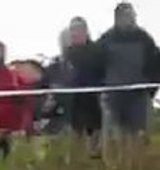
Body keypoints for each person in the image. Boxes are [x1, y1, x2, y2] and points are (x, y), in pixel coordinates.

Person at [96, 2, 160, 140]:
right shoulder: (106, 40)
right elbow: (96, 66)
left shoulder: (144, 39)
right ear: (116, 17)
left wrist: (150, 91)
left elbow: (156, 65)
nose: (128, 18)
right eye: (124, 16)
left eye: (130, 15)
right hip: (113, 99)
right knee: (115, 139)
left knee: (139, 139)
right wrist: (104, 89)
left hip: (138, 98)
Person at [63, 17, 106, 145]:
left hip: (94, 102)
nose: (75, 33)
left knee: (94, 142)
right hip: (74, 104)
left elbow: (103, 74)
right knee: (76, 142)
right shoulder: (68, 53)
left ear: (85, 31)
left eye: (78, 29)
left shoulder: (96, 51)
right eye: (72, 30)